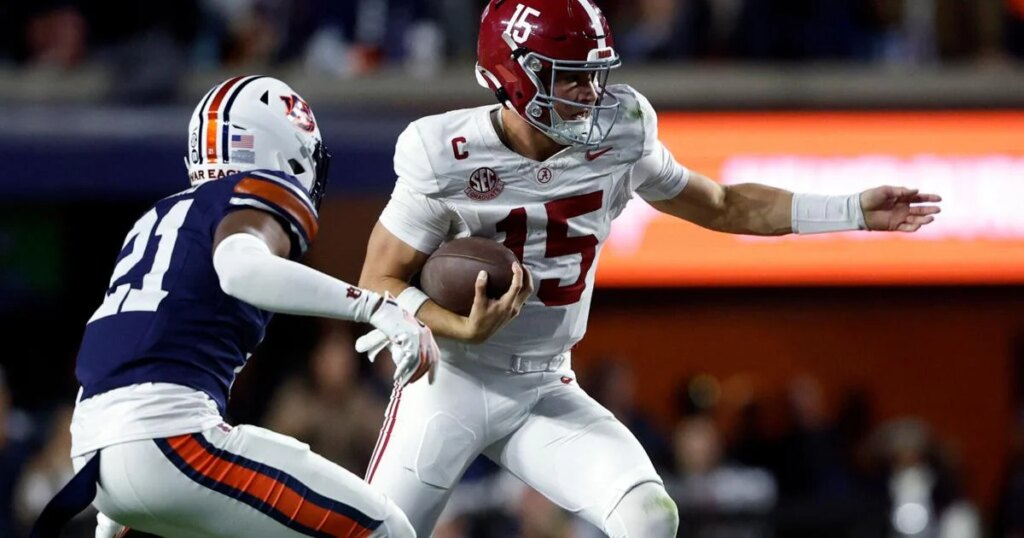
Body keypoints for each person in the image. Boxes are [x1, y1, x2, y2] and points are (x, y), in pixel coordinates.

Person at [354, 1, 942, 536]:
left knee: (649, 518)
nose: (589, 94)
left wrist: (851, 211)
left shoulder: (621, 132)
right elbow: (376, 281)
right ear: (513, 75)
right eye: (571, 77)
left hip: (541, 382)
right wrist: (454, 326)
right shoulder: (445, 154)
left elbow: (724, 204)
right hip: (449, 380)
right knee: (380, 533)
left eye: (594, 74)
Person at [32, 76, 439, 538]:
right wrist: (375, 307)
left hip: (95, 455)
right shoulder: (255, 192)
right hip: (170, 439)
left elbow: (121, 345)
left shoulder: (159, 218)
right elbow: (239, 268)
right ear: (284, 147)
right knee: (385, 529)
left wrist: (122, 488)